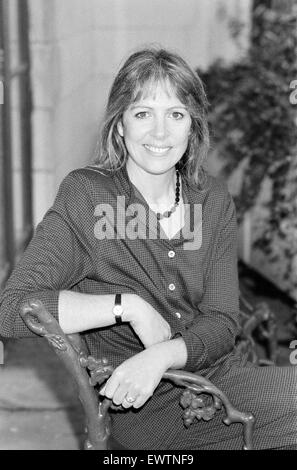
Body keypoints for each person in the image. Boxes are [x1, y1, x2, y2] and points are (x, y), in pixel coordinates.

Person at [0, 47, 296, 450]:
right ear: (119, 124)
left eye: (176, 115)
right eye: (142, 114)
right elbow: (14, 308)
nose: (160, 133)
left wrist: (162, 354)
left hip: (223, 377)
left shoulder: (211, 199)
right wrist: (127, 306)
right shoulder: (88, 197)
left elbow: (223, 320)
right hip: (145, 405)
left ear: (193, 126)